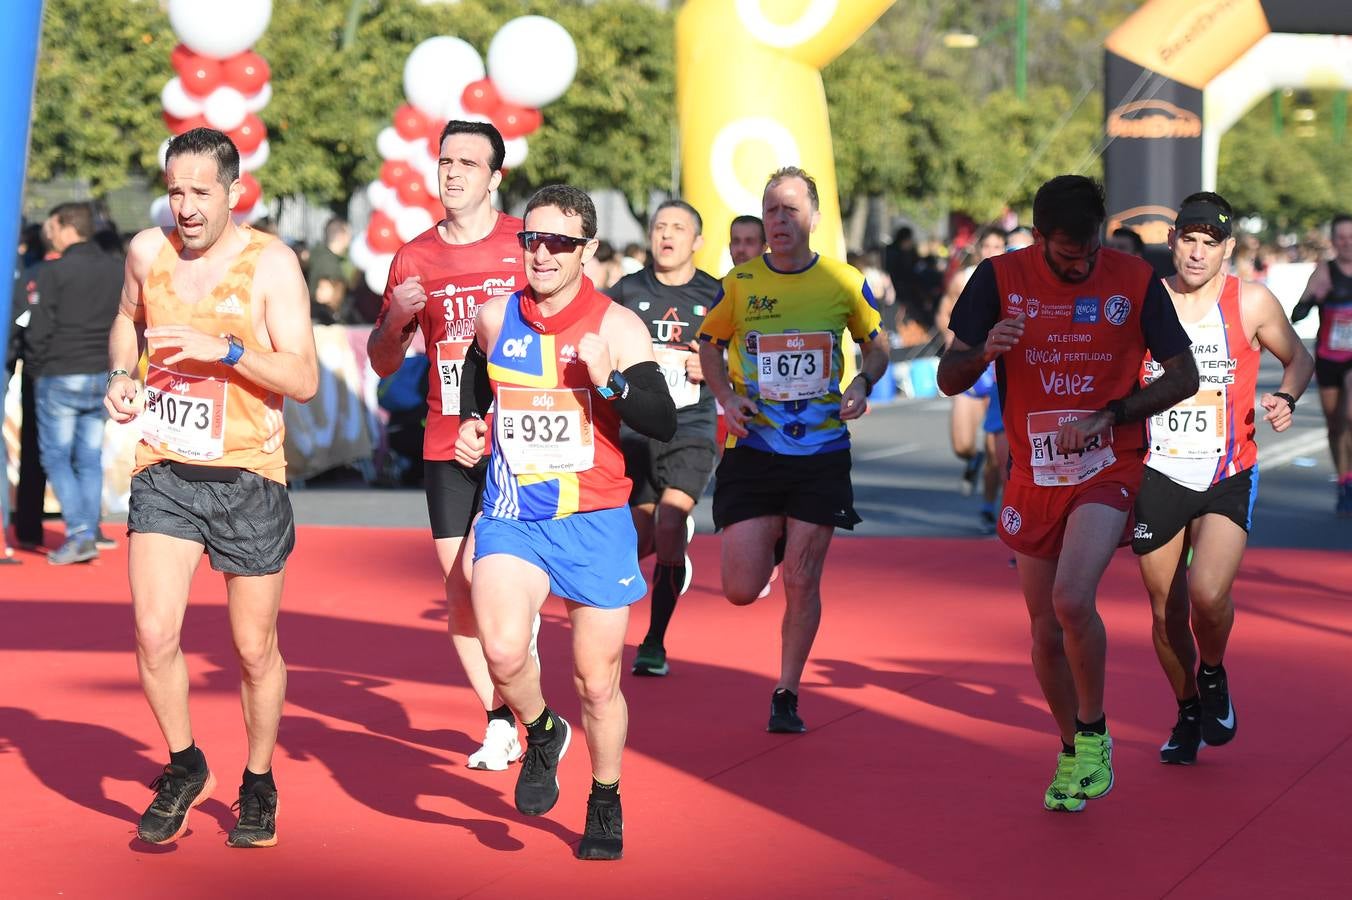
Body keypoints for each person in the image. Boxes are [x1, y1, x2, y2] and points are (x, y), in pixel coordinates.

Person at [937, 174, 1198, 813]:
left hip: (1109, 464)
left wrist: (1114, 413)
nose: (1079, 266)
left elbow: (1185, 373)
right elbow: (949, 375)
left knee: (1071, 599)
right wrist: (983, 354)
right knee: (1043, 631)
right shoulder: (997, 279)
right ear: (1037, 238)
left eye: (1087, 251)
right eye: (1065, 255)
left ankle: (1095, 729)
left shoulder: (1134, 279)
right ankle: (1073, 748)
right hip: (1033, 473)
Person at [103, 127, 318, 847]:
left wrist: (225, 350)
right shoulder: (145, 252)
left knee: (253, 651)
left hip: (248, 475)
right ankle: (185, 763)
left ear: (234, 191)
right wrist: (122, 379)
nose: (186, 207)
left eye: (201, 192)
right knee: (154, 631)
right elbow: (127, 324)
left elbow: (305, 379)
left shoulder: (271, 265)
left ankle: (258, 780)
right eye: (175, 192)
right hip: (163, 469)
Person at [454, 185, 676, 860]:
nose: (542, 254)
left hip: (595, 517)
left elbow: (661, 420)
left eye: (559, 243)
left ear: (589, 250)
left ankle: (603, 797)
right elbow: (475, 376)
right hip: (513, 512)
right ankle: (542, 729)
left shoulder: (616, 326)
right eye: (532, 240)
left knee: (597, 680)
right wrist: (470, 424)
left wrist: (612, 383)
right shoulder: (496, 317)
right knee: (500, 649)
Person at [697, 167, 888, 733]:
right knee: (738, 590)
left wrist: (863, 383)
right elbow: (711, 345)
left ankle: (787, 691)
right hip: (754, 445)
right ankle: (772, 544)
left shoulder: (842, 280)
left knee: (804, 579)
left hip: (821, 452)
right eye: (771, 210)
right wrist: (726, 397)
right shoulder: (740, 283)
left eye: (791, 210)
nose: (780, 221)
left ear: (814, 218)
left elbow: (876, 346)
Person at [367, 120, 530, 772]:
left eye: (469, 162)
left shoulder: (527, 245)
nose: (453, 172)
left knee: (512, 586)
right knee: (461, 588)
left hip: (521, 436)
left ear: (495, 176)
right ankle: (499, 719)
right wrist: (398, 317)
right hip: (445, 440)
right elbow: (384, 363)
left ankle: (528, 682)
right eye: (445, 161)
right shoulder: (414, 257)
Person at [1133, 192, 1313, 764]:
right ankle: (1188, 709)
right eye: (1188, 239)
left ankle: (1212, 674)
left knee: (1207, 596)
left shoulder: (1252, 302)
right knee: (1165, 610)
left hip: (1227, 471)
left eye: (1210, 243)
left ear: (1227, 249)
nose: (1196, 252)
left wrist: (1285, 396)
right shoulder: (1145, 302)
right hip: (1159, 469)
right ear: (1172, 241)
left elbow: (1299, 358)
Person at [605, 199, 721, 677]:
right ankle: (674, 561)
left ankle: (653, 641)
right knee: (638, 539)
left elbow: (744, 354)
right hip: (636, 429)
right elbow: (599, 342)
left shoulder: (716, 294)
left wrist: (715, 366)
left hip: (690, 427)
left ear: (696, 241)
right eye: (659, 227)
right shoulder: (627, 291)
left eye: (678, 228)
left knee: (670, 524)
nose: (666, 235)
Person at [23, 202, 124, 564]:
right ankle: (89, 527)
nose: (48, 232)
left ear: (67, 227)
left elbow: (38, 328)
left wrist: (35, 367)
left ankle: (80, 532)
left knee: (57, 457)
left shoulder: (53, 272)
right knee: (88, 456)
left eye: (52, 225)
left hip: (60, 372)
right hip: (100, 372)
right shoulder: (116, 269)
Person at [938, 227, 1007, 520]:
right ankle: (973, 459)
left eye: (998, 246)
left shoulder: (1014, 278)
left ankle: (990, 507)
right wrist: (955, 342)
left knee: (997, 448)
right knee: (963, 444)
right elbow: (944, 312)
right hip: (970, 363)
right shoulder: (964, 280)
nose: (992, 251)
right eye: (987, 246)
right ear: (978, 250)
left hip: (998, 370)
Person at [1292, 213, 1352, 515]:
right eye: (1341, 238)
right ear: (1333, 241)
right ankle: (1344, 481)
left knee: (1351, 414)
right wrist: (1315, 297)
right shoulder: (1323, 272)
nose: (1347, 243)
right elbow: (1296, 314)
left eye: (1351, 238)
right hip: (1330, 356)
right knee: (1334, 424)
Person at [306, 217, 351, 325]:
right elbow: (328, 295)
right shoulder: (329, 264)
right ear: (342, 236)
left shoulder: (317, 254)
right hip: (326, 317)